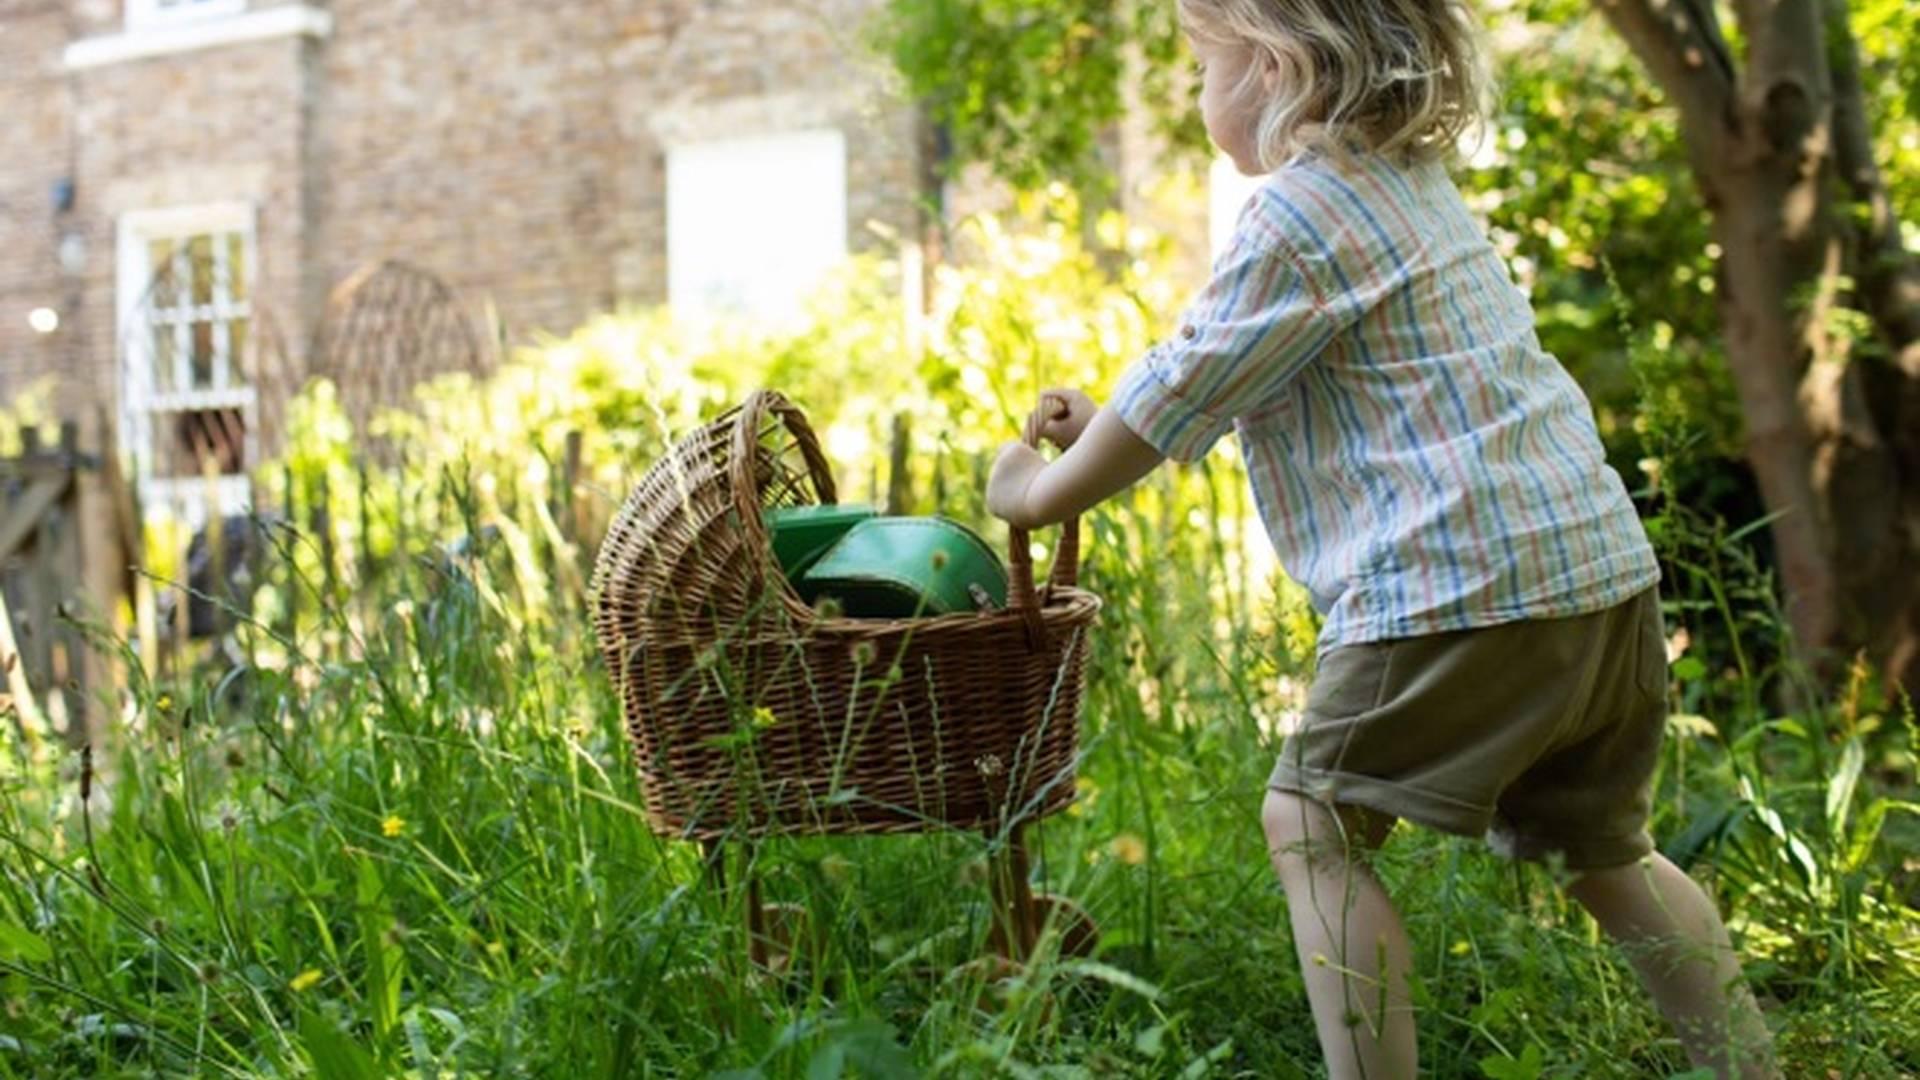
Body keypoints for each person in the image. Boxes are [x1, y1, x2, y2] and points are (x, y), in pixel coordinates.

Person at [983, 1, 1779, 1076]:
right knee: (1607, 851)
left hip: (1459, 591)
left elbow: (1182, 386)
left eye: (1201, 67)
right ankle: (1746, 1064)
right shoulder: (1409, 188)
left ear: (1273, 67)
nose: (1194, 93)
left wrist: (1041, 492)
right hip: (1593, 578)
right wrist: (1110, 424)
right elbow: (1228, 377)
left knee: (1309, 821)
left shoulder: (1299, 213)